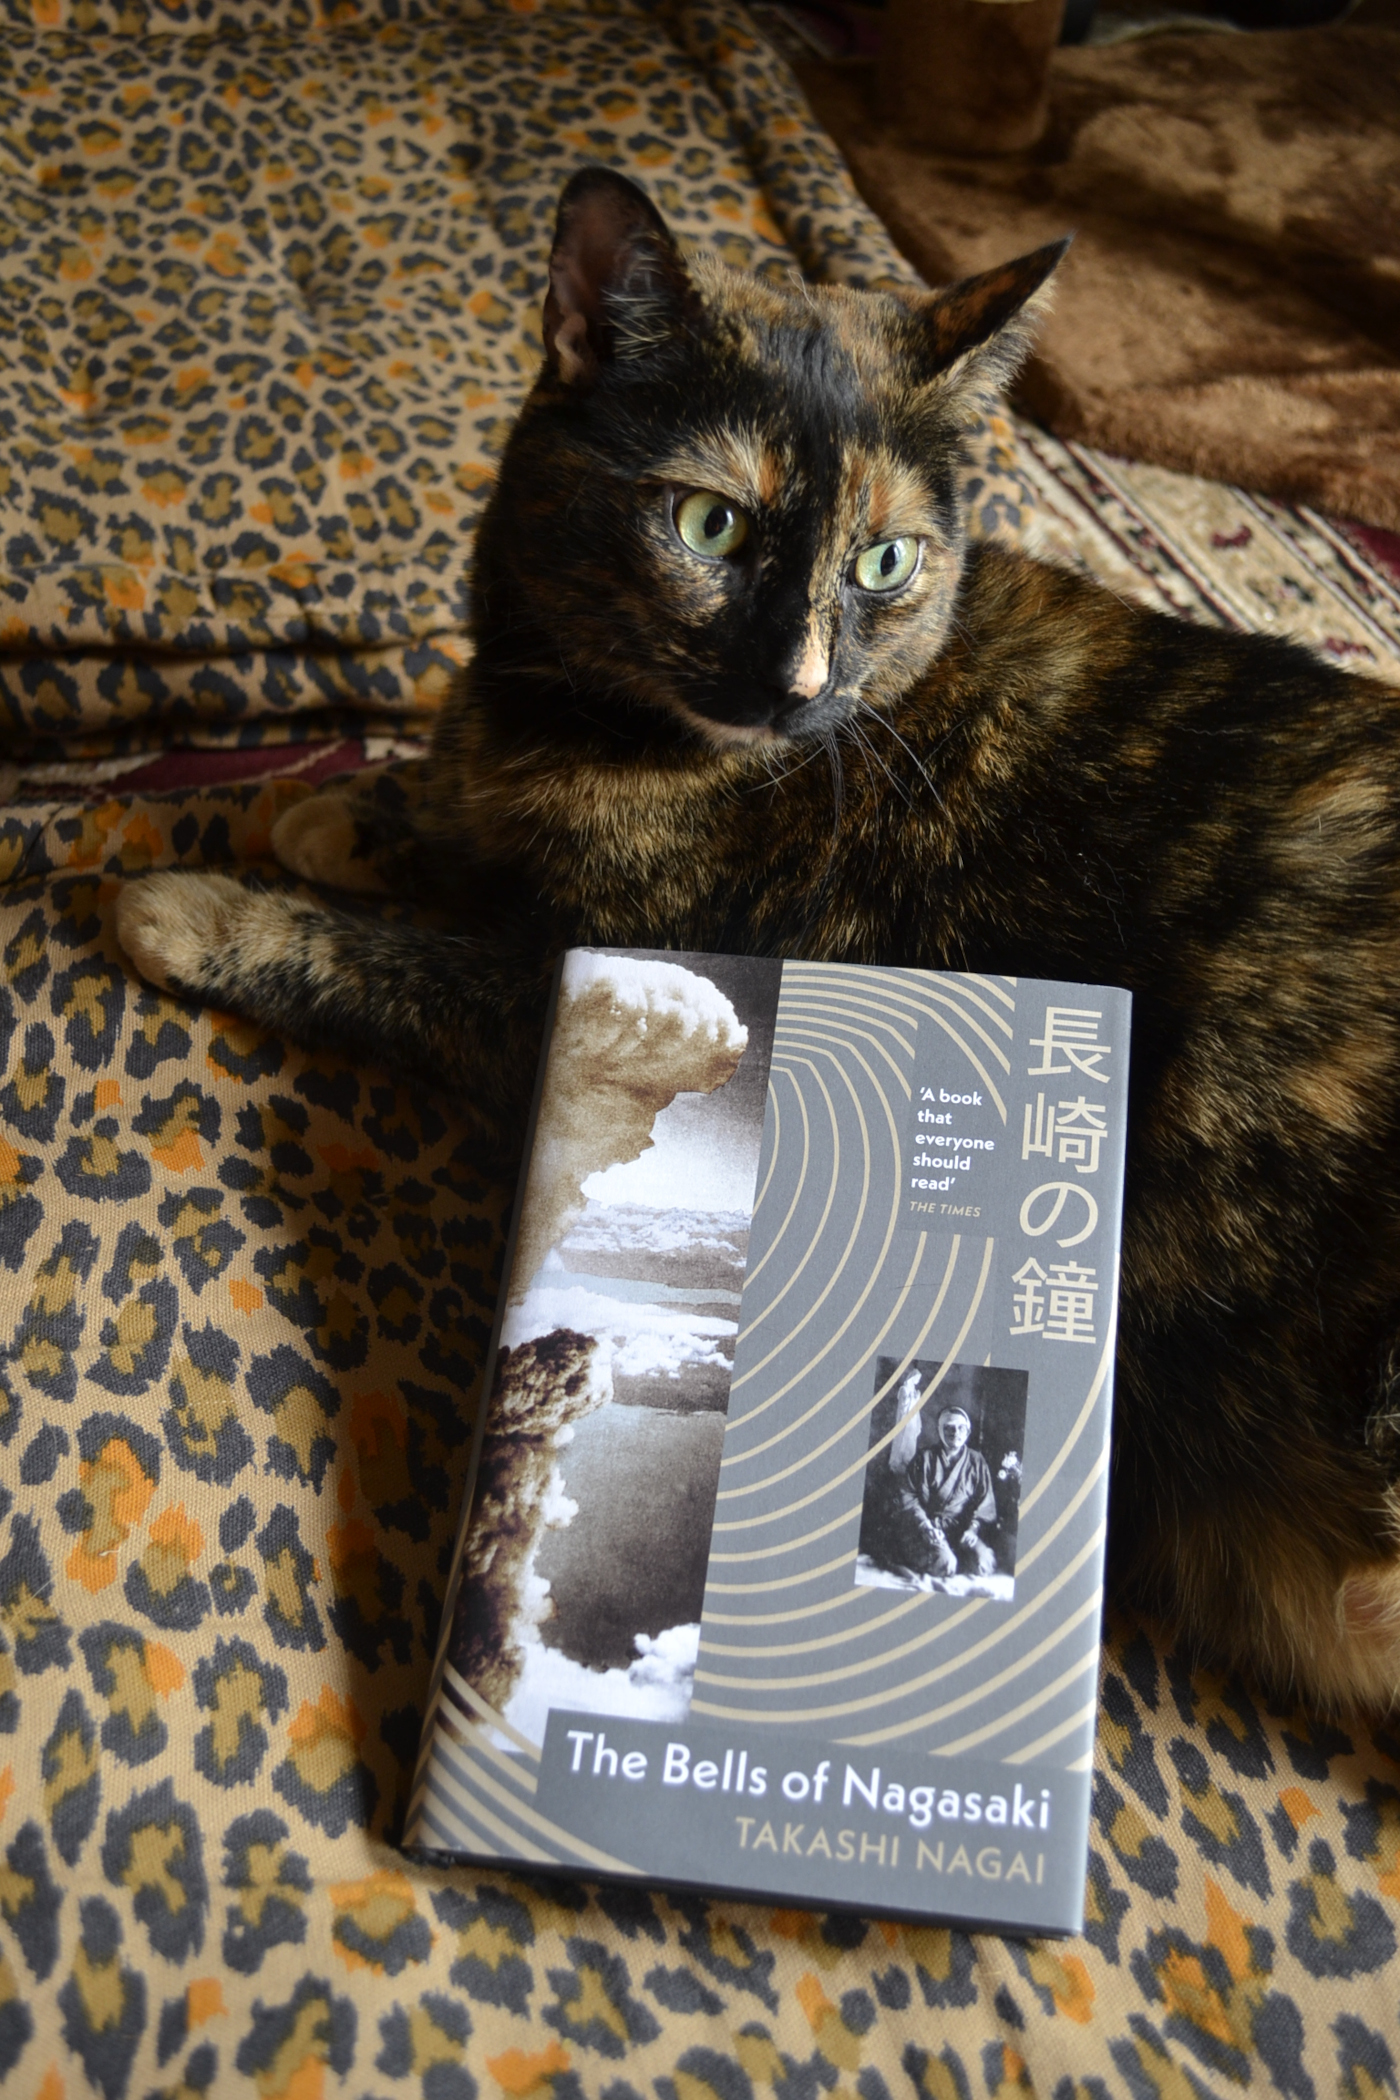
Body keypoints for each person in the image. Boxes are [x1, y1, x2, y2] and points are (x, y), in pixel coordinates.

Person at [883, 1377, 998, 1581]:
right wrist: (925, 1526)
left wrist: (972, 1530)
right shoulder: (924, 1458)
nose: (955, 1433)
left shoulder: (977, 1461)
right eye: (949, 1428)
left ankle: (955, 1554)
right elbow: (908, 1497)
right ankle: (945, 1556)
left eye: (961, 1428)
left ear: (968, 1431)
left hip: (961, 1530)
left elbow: (985, 1503)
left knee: (984, 1563)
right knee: (946, 1564)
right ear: (940, 1431)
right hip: (927, 1529)